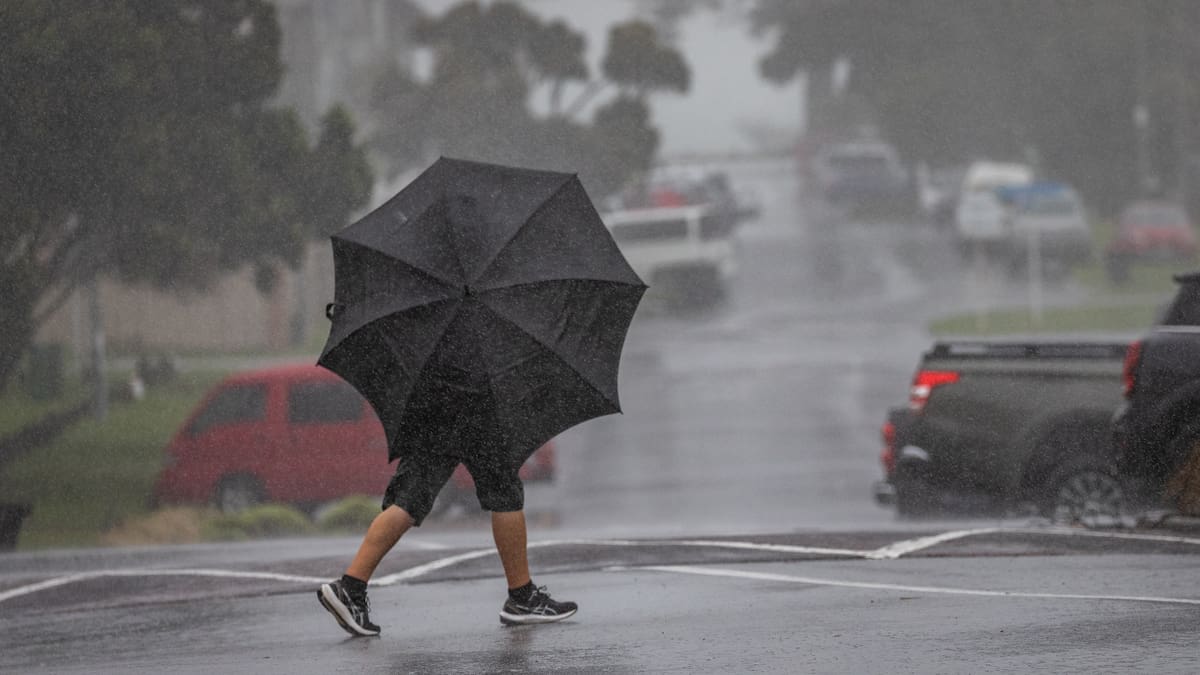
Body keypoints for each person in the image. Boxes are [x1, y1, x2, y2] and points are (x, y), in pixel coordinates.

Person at [317, 318, 577, 638]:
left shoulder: (423, 303)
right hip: (474, 405)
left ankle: (351, 586)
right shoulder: (478, 307)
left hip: (431, 406)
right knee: (504, 493)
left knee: (408, 500)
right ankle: (522, 597)